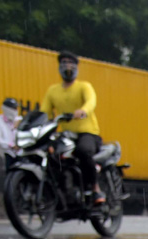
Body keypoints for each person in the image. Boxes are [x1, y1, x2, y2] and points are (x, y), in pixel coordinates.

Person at [41, 51, 104, 204]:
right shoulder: (53, 90)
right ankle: (61, 193)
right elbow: (44, 112)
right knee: (53, 156)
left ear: (76, 67)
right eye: (64, 63)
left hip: (87, 132)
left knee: (83, 151)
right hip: (66, 135)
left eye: (71, 63)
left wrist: (83, 111)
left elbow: (91, 101)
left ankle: (95, 189)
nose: (67, 66)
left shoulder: (84, 86)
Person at [0, 97, 20, 164]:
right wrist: (11, 146)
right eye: (13, 108)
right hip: (4, 155)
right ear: (6, 109)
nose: (15, 111)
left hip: (17, 154)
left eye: (16, 108)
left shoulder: (17, 121)